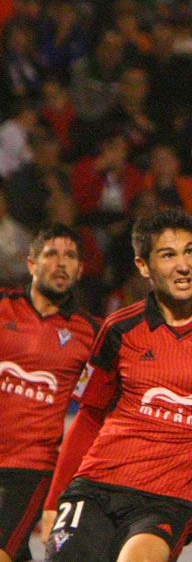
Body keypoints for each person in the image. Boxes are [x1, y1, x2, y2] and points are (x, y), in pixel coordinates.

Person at [42, 208, 192, 561]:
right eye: (168, 255)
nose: (184, 265)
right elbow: (90, 417)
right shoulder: (120, 329)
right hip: (97, 485)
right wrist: (54, 501)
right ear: (143, 266)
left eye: (190, 251)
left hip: (170, 499)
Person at [0, 226, 99, 562]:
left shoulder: (91, 334)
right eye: (51, 254)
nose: (61, 263)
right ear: (31, 264)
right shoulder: (2, 307)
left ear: (81, 270)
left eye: (70, 256)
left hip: (30, 467)